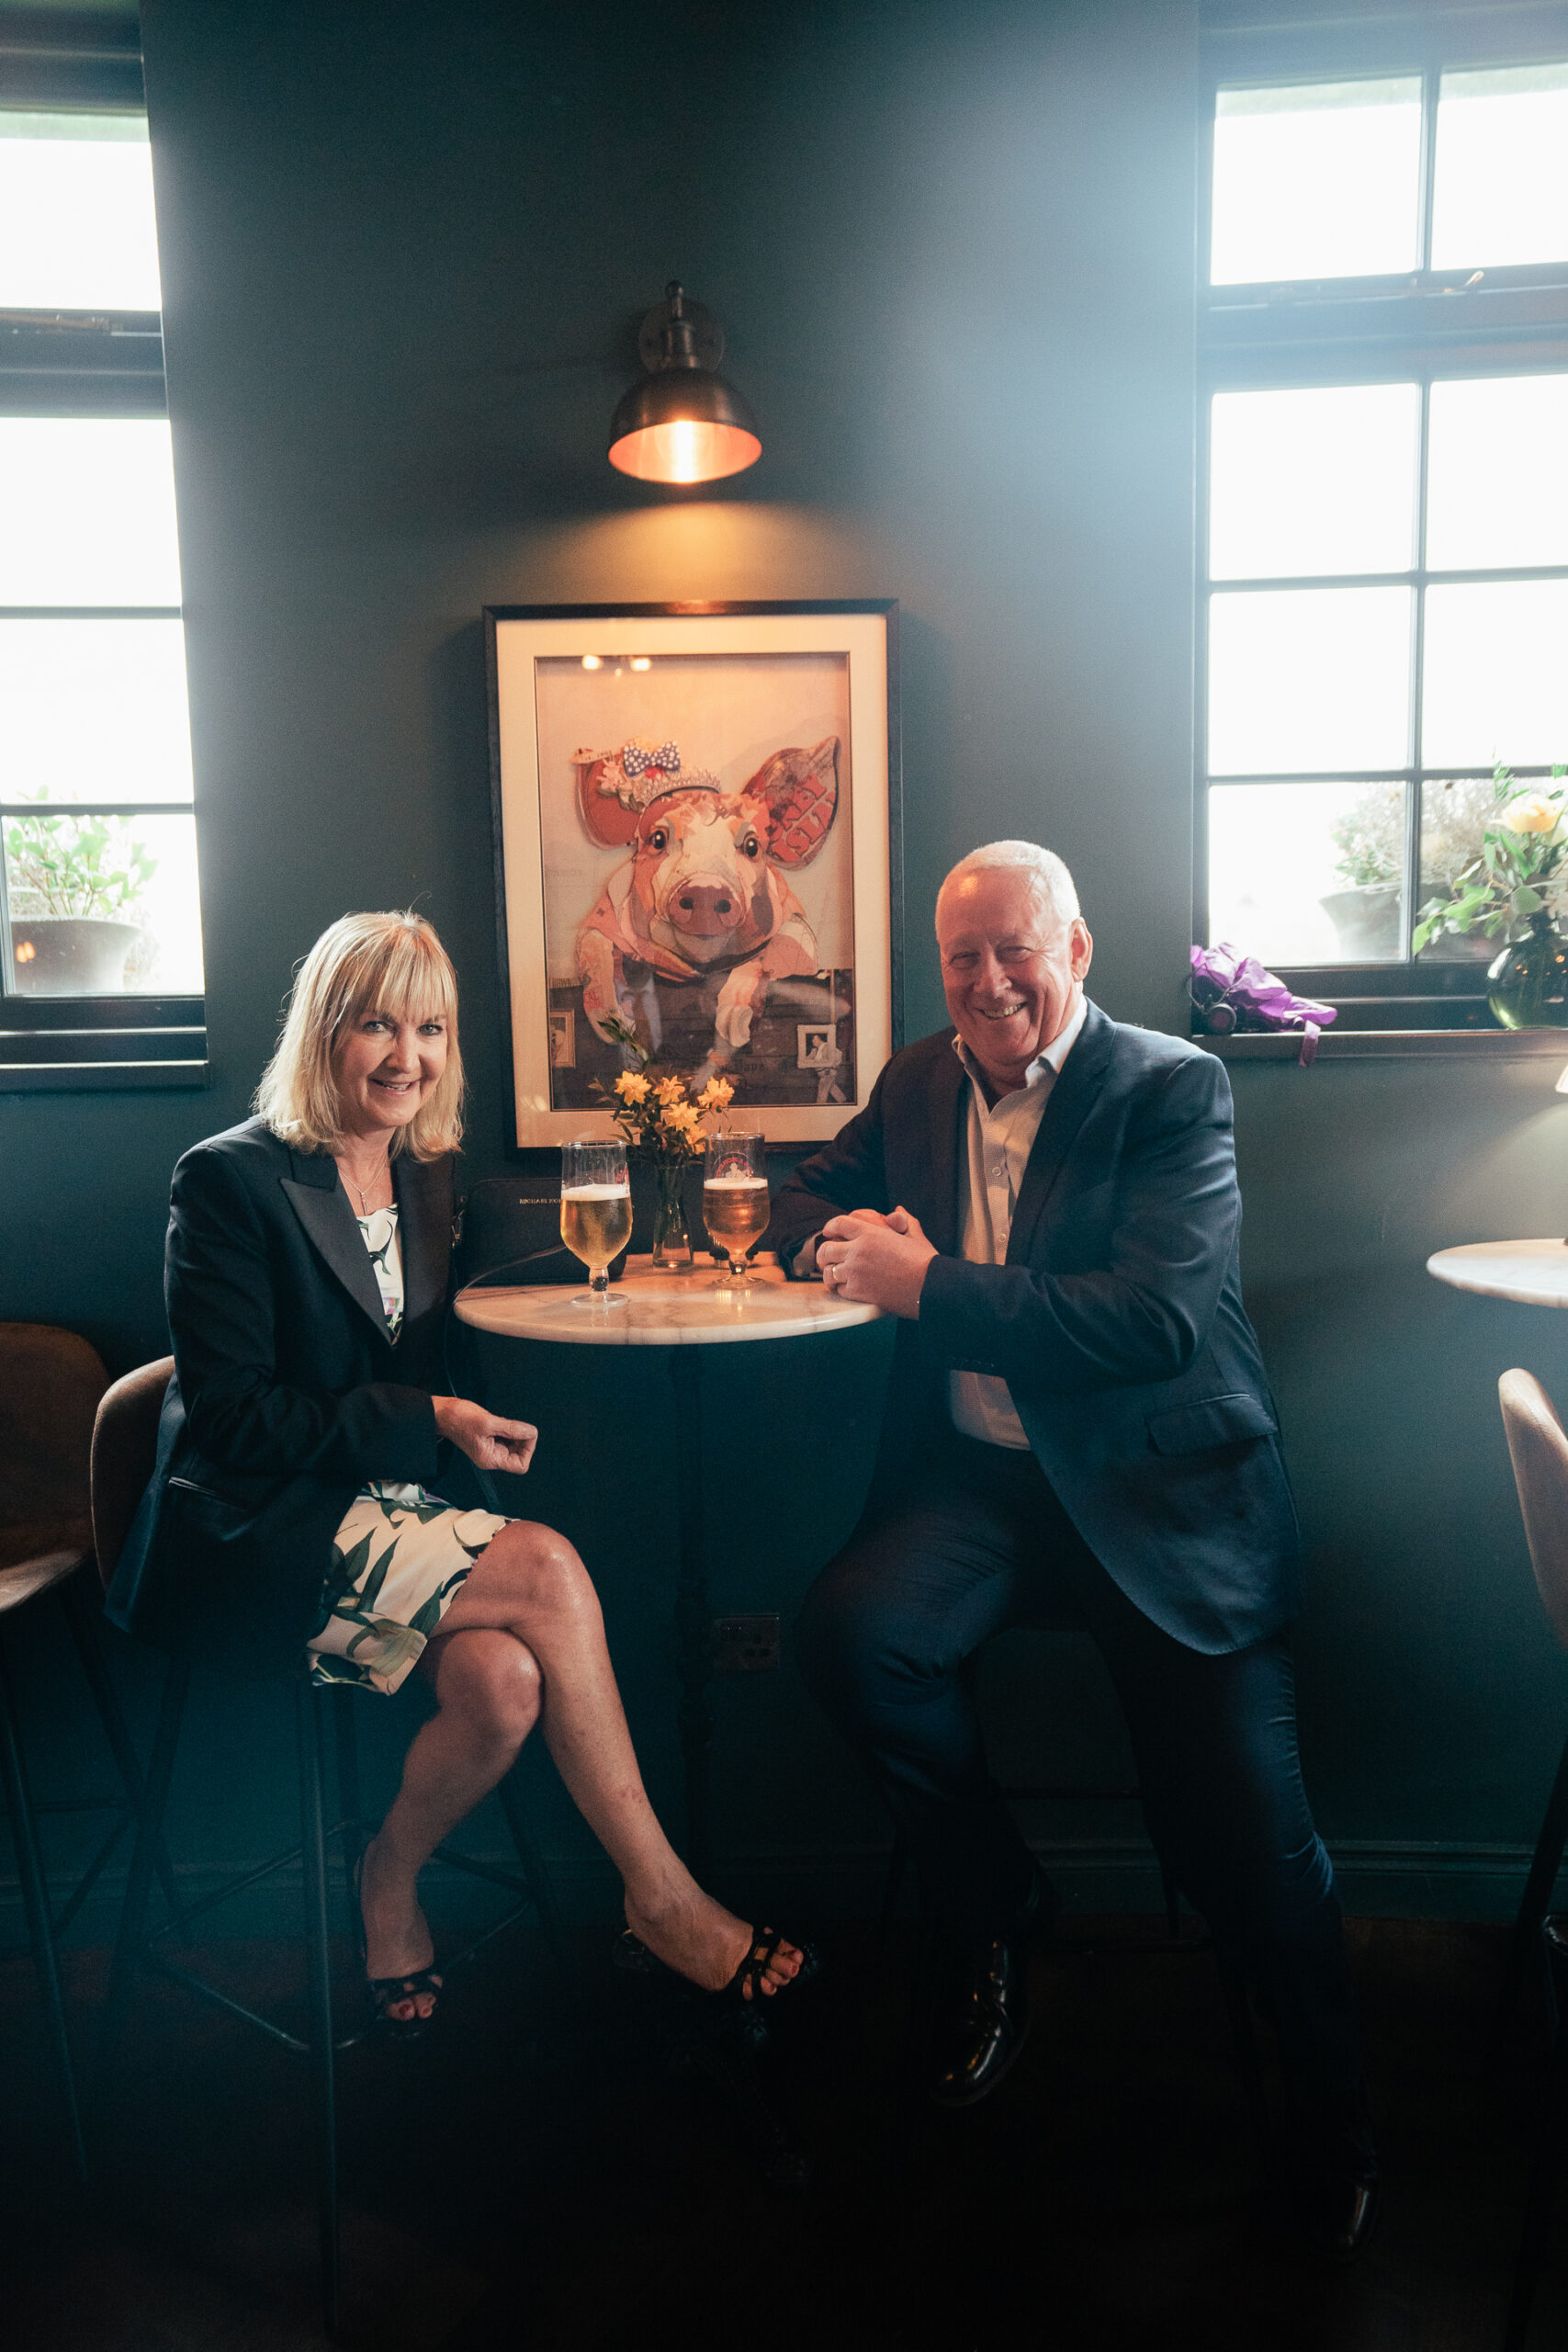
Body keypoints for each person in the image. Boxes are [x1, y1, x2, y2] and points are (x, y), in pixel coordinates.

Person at [768, 842, 1377, 2257]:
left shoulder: (1169, 1087)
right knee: (849, 1639)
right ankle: (994, 1895)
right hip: (979, 1492)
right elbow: (806, 1193)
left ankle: (1332, 2124)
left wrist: (931, 1287)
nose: (987, 985)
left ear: (1076, 950)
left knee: (1244, 1836)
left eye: (1011, 951)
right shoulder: (918, 1077)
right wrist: (835, 1236)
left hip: (1163, 1504)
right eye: (960, 959)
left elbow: (1150, 1321)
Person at [107, 910, 806, 2036]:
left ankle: (388, 1871)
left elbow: (493, 1298)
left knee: (505, 1686)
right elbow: (236, 1421)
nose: (406, 1056)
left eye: (427, 1029)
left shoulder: (424, 1172)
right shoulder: (229, 1181)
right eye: (376, 1025)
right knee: (549, 1569)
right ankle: (664, 1899)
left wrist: (676, 1268)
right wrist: (428, 1418)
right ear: (323, 1031)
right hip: (253, 1541)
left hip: (373, 1523)